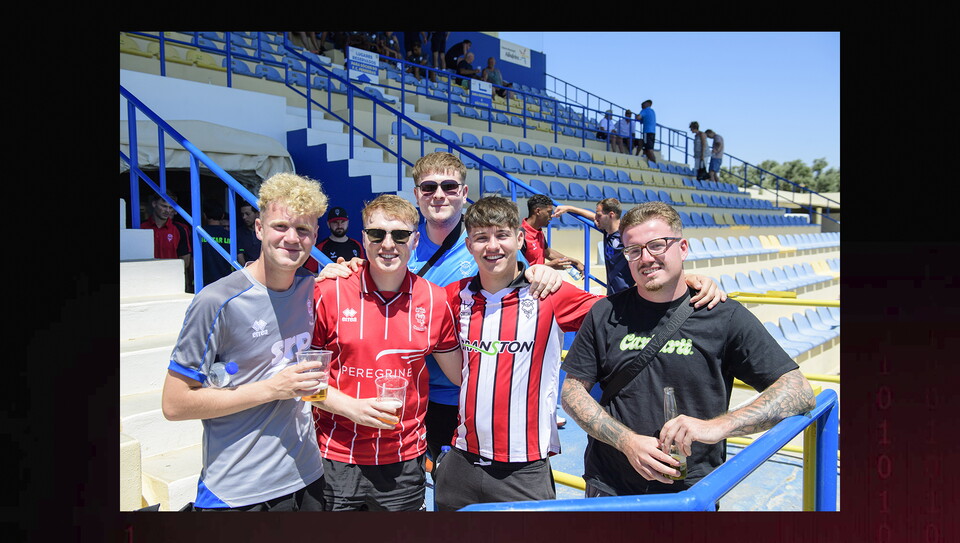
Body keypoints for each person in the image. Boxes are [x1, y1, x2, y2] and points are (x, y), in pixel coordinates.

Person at [433, 197, 729, 511]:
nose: (492, 246)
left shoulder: (549, 292)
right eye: (481, 238)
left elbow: (630, 307)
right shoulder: (453, 296)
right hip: (461, 461)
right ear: (469, 245)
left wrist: (685, 282)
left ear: (519, 239)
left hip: (524, 468)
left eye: (502, 235)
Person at [316, 152, 566, 467]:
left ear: (464, 192)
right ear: (416, 194)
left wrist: (541, 271)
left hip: (468, 394)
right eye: (428, 187)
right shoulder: (399, 243)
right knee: (434, 483)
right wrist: (346, 269)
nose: (438, 195)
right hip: (413, 397)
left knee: (481, 485)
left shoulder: (484, 244)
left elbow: (521, 285)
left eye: (449, 186)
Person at [560, 201, 816, 500]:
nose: (646, 258)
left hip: (692, 491)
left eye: (657, 245)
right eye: (634, 250)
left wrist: (719, 426)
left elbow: (798, 390)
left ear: (682, 248)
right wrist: (626, 441)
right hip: (609, 487)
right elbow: (572, 391)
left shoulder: (723, 315)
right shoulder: (605, 312)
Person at [160, 172, 331, 511]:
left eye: (303, 230)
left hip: (307, 476)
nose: (291, 238)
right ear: (259, 228)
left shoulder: (312, 288)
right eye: (280, 226)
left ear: (314, 237)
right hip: (238, 491)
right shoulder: (217, 301)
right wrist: (272, 389)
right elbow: (174, 404)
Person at [308, 194, 465, 511]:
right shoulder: (327, 292)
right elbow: (304, 383)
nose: (388, 244)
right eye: (377, 234)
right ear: (363, 238)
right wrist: (352, 408)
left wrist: (527, 275)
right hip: (335, 455)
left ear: (415, 240)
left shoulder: (435, 300)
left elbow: (463, 374)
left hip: (403, 461)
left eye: (400, 235)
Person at [551, 198, 633, 295]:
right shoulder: (607, 230)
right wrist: (569, 208)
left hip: (629, 294)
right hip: (613, 293)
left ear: (611, 215)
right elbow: (592, 216)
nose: (595, 219)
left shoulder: (626, 235)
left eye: (599, 215)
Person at [521, 194, 585, 275]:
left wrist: (575, 262)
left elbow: (548, 252)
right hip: (529, 281)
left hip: (541, 279)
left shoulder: (538, 231)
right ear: (538, 211)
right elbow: (519, 272)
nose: (551, 217)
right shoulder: (520, 236)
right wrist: (550, 266)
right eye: (549, 212)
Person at [141, 192, 191, 288]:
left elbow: (185, 262)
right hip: (146, 279)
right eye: (164, 206)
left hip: (171, 280)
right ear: (154, 204)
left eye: (171, 207)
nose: (167, 210)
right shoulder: (140, 227)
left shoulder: (180, 229)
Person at [304, 207, 364, 273]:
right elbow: (308, 273)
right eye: (335, 222)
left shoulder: (356, 245)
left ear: (347, 222)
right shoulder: (321, 247)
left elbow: (363, 269)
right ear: (328, 224)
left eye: (343, 222)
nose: (339, 225)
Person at [198, 200, 235, 288]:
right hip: (227, 282)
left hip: (204, 283)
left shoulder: (199, 234)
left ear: (204, 215)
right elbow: (240, 259)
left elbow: (192, 262)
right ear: (222, 216)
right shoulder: (231, 236)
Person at [236, 201, 261, 266]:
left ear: (257, 214)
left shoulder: (266, 231)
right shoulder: (239, 232)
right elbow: (240, 256)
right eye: (242, 214)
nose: (244, 217)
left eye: (247, 214)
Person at [638, 99, 658, 163]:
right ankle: (649, 161)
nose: (641, 106)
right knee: (647, 148)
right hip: (653, 132)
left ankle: (654, 163)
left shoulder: (645, 110)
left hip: (647, 131)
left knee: (649, 149)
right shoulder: (652, 111)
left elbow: (638, 117)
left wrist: (637, 116)